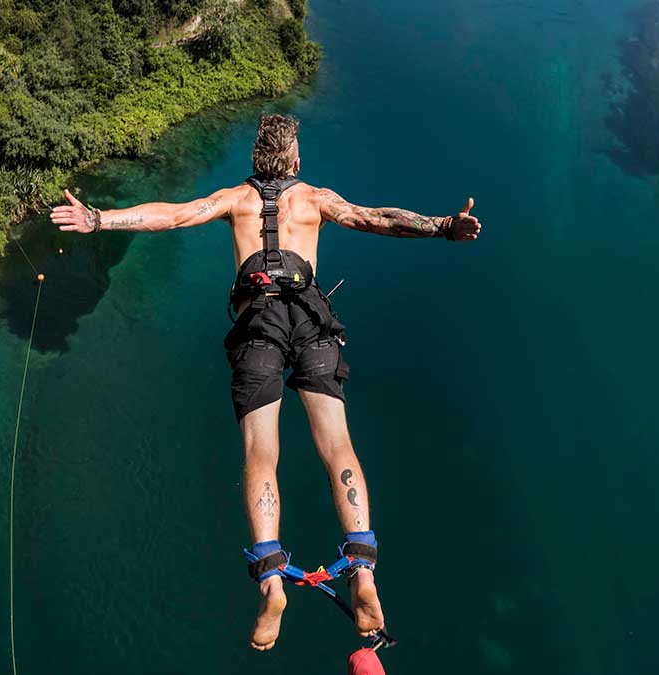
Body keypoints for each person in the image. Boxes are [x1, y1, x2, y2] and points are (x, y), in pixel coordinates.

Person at [50, 113, 481, 650]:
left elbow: (174, 216)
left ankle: (272, 580)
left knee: (261, 452)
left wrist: (98, 220)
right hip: (312, 320)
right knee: (338, 445)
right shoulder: (316, 200)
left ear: (255, 160)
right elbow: (376, 218)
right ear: (296, 161)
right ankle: (364, 570)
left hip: (260, 326)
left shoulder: (235, 200)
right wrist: (442, 226)